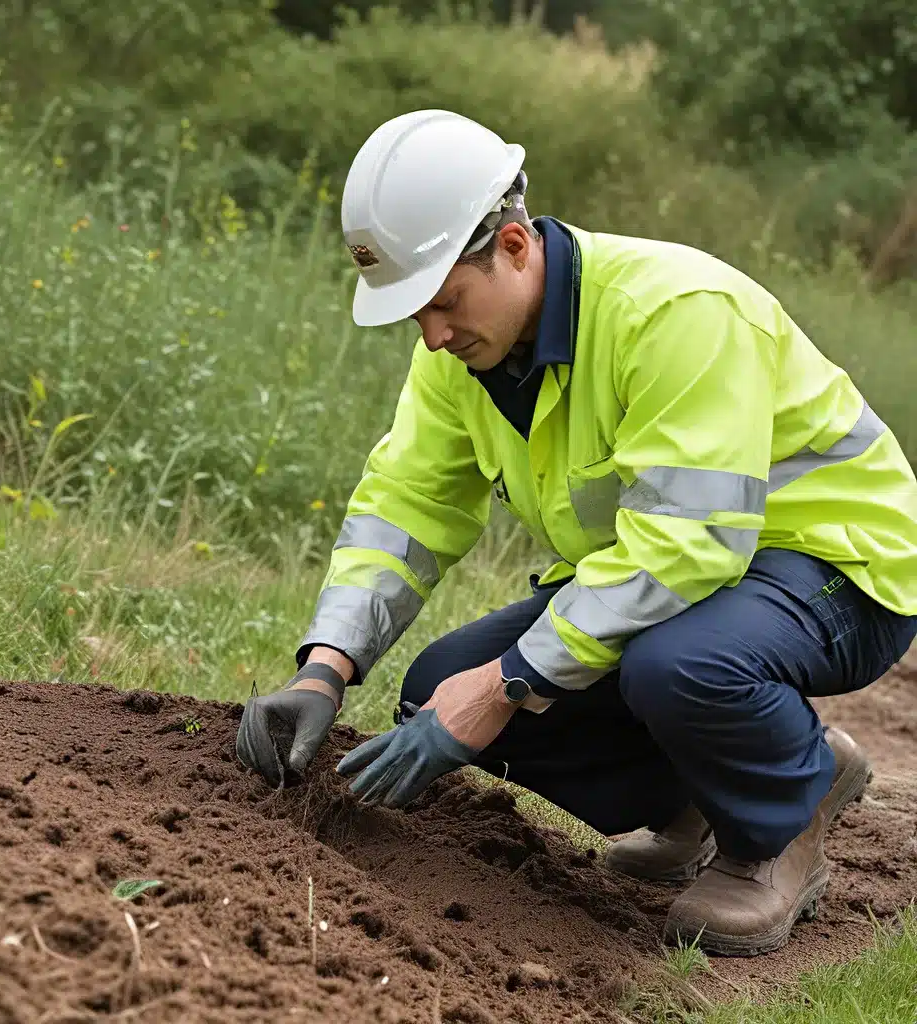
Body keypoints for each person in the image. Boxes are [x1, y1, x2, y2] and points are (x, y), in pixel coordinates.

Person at [235, 109, 917, 956]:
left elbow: (694, 539)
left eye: (444, 302)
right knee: (440, 682)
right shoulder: (462, 359)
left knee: (669, 667)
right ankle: (708, 797)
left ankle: (779, 827)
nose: (433, 335)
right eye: (416, 316)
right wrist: (326, 670)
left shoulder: (674, 311)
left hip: (835, 565)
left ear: (515, 247)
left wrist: (508, 684)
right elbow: (407, 508)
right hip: (688, 571)